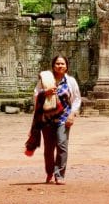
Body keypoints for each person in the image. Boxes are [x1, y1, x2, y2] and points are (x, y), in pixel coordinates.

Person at [33, 55, 82, 184]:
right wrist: (45, 93)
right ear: (53, 66)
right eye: (57, 64)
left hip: (64, 117)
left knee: (62, 145)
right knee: (49, 148)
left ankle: (59, 175)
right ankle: (50, 172)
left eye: (62, 64)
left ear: (66, 66)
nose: (60, 66)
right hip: (47, 118)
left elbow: (77, 98)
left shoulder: (70, 81)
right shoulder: (45, 80)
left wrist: (72, 114)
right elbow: (36, 94)